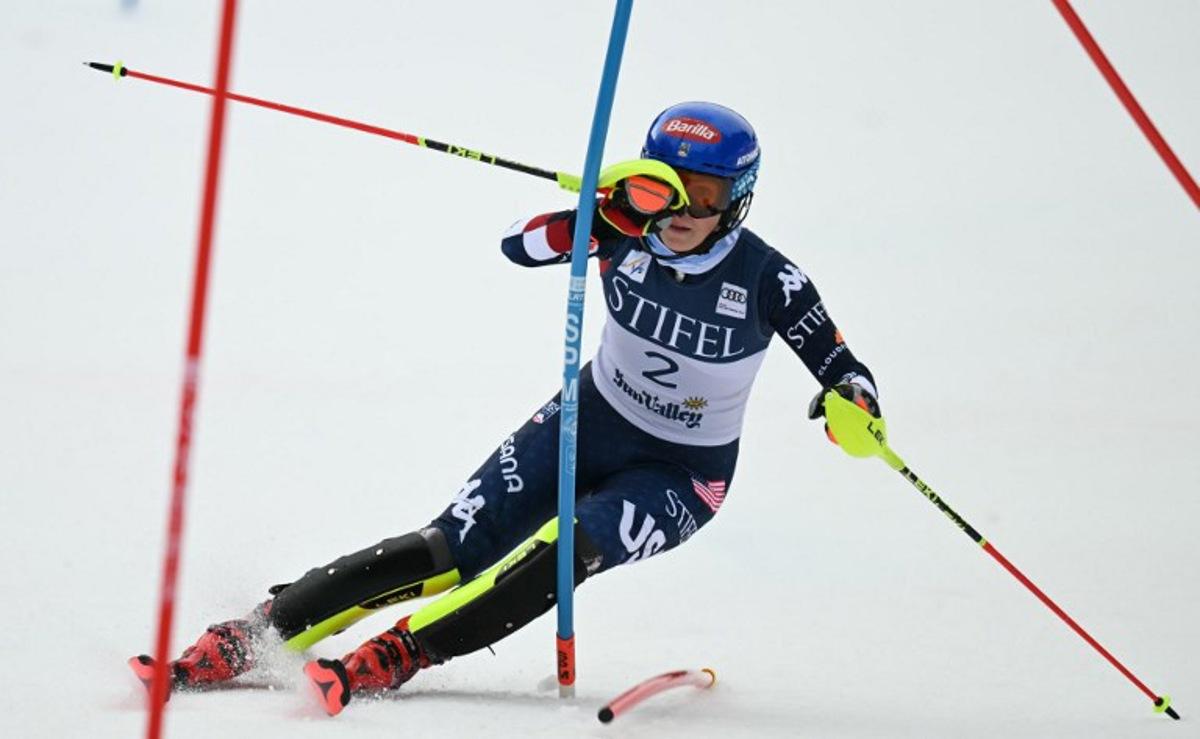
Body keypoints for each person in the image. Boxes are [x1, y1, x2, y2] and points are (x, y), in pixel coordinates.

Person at [129, 102, 884, 716]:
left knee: (572, 542)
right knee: (450, 545)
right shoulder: (626, 231)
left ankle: (397, 654)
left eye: (707, 194)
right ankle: (254, 634)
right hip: (589, 417)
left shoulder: (769, 279)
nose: (682, 207)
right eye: (668, 184)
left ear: (738, 199)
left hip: (683, 474)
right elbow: (518, 247)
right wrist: (587, 220)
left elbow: (847, 372)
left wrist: (851, 405)